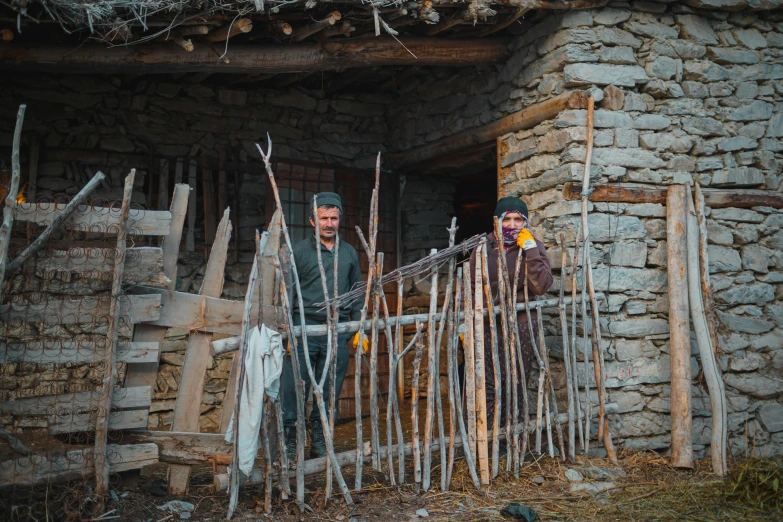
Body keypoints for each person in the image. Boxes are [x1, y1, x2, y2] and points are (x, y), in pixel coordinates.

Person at [281, 192, 367, 458]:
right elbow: (286, 293)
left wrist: (357, 325)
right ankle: (291, 441)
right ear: (311, 220)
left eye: (334, 218)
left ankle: (320, 439)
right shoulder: (299, 252)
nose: (329, 223)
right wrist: (287, 330)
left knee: (330, 389)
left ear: (340, 219)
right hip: (302, 329)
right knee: (294, 388)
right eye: (323, 218)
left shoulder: (349, 253)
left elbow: (356, 292)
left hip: (337, 330)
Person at [468, 196, 553, 430]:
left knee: (515, 380)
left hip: (522, 324)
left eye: (518, 220)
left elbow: (542, 286)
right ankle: (486, 432)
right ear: (497, 221)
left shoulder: (532, 245)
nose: (513, 225)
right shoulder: (483, 248)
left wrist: (531, 251)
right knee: (488, 380)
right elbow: (472, 287)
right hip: (488, 324)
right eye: (507, 219)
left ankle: (509, 433)